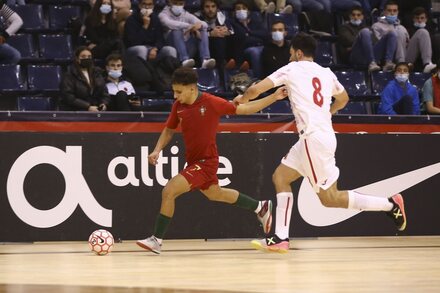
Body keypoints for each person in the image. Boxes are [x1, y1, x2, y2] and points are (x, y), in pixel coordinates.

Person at [234, 33, 406, 253]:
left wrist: (243, 99)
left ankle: (390, 204)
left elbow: (255, 89)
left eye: (290, 54)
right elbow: (343, 99)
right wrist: (328, 113)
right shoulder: (326, 72)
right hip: (316, 135)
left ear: (297, 53)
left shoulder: (292, 69)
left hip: (313, 138)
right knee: (281, 177)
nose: (288, 58)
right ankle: (280, 237)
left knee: (329, 198)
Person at [136, 67, 288, 254]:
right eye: (174, 91)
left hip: (206, 161)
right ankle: (260, 207)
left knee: (169, 191)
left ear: (192, 88)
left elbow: (246, 109)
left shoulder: (211, 102)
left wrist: (273, 97)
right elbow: (169, 129)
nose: (175, 96)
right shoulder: (179, 106)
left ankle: (156, 240)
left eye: (179, 91)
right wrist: (157, 149)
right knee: (215, 193)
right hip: (192, 161)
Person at [159, 0, 216, 68]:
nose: (178, 6)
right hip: (171, 48)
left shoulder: (185, 14)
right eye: (175, 3)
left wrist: (199, 25)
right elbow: (170, 24)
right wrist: (190, 26)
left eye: (180, 4)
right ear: (169, 3)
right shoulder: (163, 14)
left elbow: (205, 24)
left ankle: (205, 60)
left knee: (202, 30)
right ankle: (184, 60)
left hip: (186, 47)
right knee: (177, 30)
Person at [338, 5, 396, 72]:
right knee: (365, 32)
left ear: (362, 17)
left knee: (392, 34)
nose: (356, 17)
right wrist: (363, 39)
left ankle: (388, 62)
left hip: (370, 54)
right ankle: (372, 63)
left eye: (358, 15)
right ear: (350, 16)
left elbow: (375, 41)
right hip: (356, 56)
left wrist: (366, 41)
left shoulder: (368, 27)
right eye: (353, 15)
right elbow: (348, 40)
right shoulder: (344, 28)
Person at [59, 46, 110, 111]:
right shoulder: (69, 75)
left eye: (89, 57)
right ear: (77, 59)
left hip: (96, 110)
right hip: (76, 111)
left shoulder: (97, 73)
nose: (86, 58)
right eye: (83, 56)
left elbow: (104, 93)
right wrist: (87, 107)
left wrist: (103, 103)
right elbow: (68, 97)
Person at [195, 0, 234, 68]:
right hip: (202, 46)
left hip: (219, 45)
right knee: (218, 39)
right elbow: (193, 35)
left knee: (222, 38)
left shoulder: (221, 16)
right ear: (203, 9)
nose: (210, 9)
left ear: (217, 8)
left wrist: (226, 32)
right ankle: (219, 65)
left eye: (213, 6)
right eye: (207, 7)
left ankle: (232, 64)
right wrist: (210, 34)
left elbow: (231, 31)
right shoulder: (196, 17)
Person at [371, 0, 408, 67]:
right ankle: (395, 63)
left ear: (398, 12)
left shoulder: (402, 28)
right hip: (383, 56)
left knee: (400, 31)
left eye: (394, 11)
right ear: (384, 12)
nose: (392, 13)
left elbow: (406, 45)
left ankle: (401, 62)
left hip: (402, 54)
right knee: (393, 33)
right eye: (389, 10)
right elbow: (378, 45)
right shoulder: (376, 26)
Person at [406, 7, 437, 73]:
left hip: (427, 59)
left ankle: (429, 65)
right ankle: (427, 64)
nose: (419, 20)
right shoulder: (407, 30)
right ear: (413, 19)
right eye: (417, 18)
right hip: (409, 60)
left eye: (422, 18)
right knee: (423, 32)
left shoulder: (432, 31)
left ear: (426, 19)